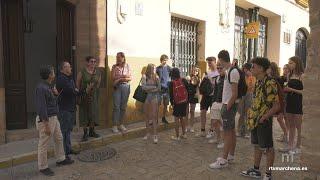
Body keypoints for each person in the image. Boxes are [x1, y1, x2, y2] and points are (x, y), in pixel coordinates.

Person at [240, 57, 280, 180]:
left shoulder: (270, 82)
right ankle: (256, 170)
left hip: (264, 120)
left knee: (268, 147)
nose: (251, 68)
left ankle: (268, 174)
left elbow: (276, 106)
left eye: (254, 66)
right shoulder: (258, 81)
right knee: (257, 145)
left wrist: (264, 117)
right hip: (255, 119)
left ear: (261, 68)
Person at [35, 65, 74, 176]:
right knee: (43, 143)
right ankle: (43, 167)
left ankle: (60, 159)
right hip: (46, 120)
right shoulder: (41, 88)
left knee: (59, 138)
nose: (54, 74)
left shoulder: (48, 86)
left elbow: (51, 103)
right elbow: (42, 107)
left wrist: (55, 94)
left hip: (54, 117)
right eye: (52, 73)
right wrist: (46, 124)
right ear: (49, 75)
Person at [210, 50, 239, 169]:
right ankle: (231, 155)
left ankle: (224, 159)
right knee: (231, 131)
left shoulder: (233, 72)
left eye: (218, 60)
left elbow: (234, 93)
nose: (218, 63)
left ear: (221, 59)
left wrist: (227, 106)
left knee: (227, 133)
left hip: (229, 106)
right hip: (228, 105)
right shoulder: (230, 71)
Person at [56, 61, 79, 159]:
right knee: (64, 131)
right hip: (64, 109)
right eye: (68, 67)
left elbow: (73, 90)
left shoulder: (68, 78)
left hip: (70, 108)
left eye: (70, 66)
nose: (71, 68)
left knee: (68, 130)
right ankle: (64, 154)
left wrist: (75, 90)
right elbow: (70, 91)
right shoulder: (61, 78)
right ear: (63, 69)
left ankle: (68, 149)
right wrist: (75, 91)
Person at [77, 56, 101, 141]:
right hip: (84, 95)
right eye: (91, 61)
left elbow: (98, 84)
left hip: (94, 96)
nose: (93, 63)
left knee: (93, 113)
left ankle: (92, 131)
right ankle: (85, 133)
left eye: (94, 61)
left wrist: (93, 91)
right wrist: (83, 92)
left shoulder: (98, 72)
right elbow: (78, 84)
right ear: (87, 62)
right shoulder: (82, 72)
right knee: (84, 113)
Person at [284, 56, 304, 154]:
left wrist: (291, 90)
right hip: (290, 101)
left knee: (298, 126)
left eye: (291, 63)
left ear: (297, 63)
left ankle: (298, 146)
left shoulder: (302, 76)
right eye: (289, 63)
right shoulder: (289, 75)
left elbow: (304, 92)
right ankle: (290, 145)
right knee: (291, 125)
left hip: (298, 102)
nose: (289, 64)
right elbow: (287, 86)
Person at [267, 62, 288, 143]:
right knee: (276, 119)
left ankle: (286, 135)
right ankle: (285, 135)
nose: (267, 70)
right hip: (273, 101)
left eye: (269, 68)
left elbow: (280, 91)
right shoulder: (269, 78)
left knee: (279, 118)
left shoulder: (278, 79)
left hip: (279, 101)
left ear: (272, 69)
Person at [111, 52, 132, 133]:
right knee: (116, 106)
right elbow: (113, 77)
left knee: (123, 107)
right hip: (117, 87)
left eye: (119, 57)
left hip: (126, 87)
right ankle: (114, 125)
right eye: (117, 57)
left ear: (123, 58)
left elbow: (130, 77)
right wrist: (123, 77)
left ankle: (121, 124)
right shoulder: (114, 66)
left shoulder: (127, 66)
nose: (118, 59)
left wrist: (119, 78)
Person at [141, 64, 161, 144]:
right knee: (146, 116)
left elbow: (159, 88)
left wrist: (150, 89)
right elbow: (143, 87)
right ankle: (147, 133)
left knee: (154, 116)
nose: (154, 69)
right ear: (149, 69)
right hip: (147, 97)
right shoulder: (144, 76)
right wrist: (153, 88)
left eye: (155, 68)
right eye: (152, 68)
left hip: (154, 97)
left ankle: (155, 135)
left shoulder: (156, 77)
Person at [199, 57, 219, 138]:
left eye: (210, 62)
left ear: (215, 62)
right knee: (203, 112)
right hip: (206, 95)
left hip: (214, 96)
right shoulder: (207, 72)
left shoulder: (218, 72)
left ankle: (211, 130)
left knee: (213, 114)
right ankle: (202, 130)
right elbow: (202, 84)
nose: (209, 64)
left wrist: (212, 82)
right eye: (208, 63)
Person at [208, 61, 225, 149]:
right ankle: (217, 138)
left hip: (223, 103)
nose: (219, 70)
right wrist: (213, 101)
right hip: (216, 102)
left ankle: (223, 141)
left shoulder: (227, 78)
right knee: (214, 121)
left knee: (222, 122)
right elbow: (216, 91)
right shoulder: (217, 78)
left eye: (220, 68)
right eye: (217, 68)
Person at [169, 68, 189, 141]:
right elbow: (188, 90)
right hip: (184, 102)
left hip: (177, 103)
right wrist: (187, 101)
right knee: (182, 118)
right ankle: (184, 134)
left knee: (176, 119)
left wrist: (172, 103)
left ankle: (177, 136)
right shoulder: (183, 80)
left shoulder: (171, 83)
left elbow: (171, 95)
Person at [237, 63, 255, 138]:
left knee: (248, 113)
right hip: (242, 94)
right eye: (245, 69)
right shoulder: (241, 76)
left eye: (248, 69)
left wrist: (250, 76)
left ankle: (248, 131)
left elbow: (252, 86)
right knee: (241, 113)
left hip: (249, 94)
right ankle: (239, 130)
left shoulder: (253, 77)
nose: (247, 71)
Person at [156, 54, 172, 125]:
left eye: (166, 60)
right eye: (163, 60)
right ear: (161, 60)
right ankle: (155, 119)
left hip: (167, 89)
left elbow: (171, 77)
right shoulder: (157, 68)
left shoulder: (169, 68)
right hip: (159, 90)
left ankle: (163, 117)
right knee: (157, 104)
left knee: (165, 104)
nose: (165, 62)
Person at [185, 66, 200, 133]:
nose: (195, 72)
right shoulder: (188, 77)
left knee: (192, 111)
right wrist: (188, 80)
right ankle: (186, 126)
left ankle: (191, 126)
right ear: (191, 71)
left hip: (193, 96)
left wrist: (197, 94)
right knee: (186, 111)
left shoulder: (199, 79)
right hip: (187, 95)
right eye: (194, 70)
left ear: (198, 72)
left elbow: (198, 88)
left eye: (196, 71)